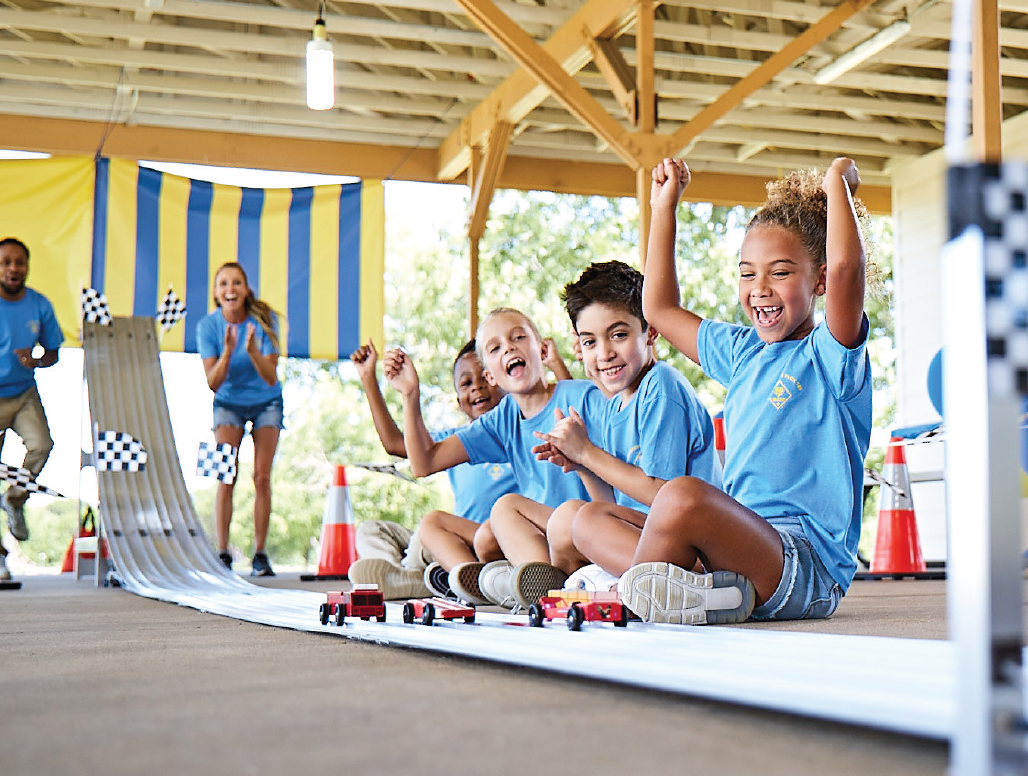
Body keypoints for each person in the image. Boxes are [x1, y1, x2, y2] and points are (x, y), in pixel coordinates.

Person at [617, 156, 872, 625]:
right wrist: (664, 206)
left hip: (802, 567)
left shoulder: (831, 352)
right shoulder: (741, 352)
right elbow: (658, 307)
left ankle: (628, 602)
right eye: (746, 272)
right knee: (587, 518)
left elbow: (846, 271)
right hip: (737, 546)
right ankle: (708, 595)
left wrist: (837, 183)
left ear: (817, 280)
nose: (759, 289)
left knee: (680, 497)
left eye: (779, 272)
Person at [498, 259, 722, 606]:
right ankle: (570, 592)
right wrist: (583, 465)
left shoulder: (661, 387)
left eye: (618, 335)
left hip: (690, 547)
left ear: (650, 331)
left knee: (583, 519)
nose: (604, 354)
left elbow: (664, 497)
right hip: (641, 538)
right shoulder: (613, 405)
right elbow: (610, 506)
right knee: (565, 521)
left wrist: (587, 451)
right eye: (590, 342)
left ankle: (682, 589)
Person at [386, 307, 606, 606]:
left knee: (505, 508)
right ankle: (495, 582)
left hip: (584, 529)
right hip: (539, 533)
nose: (509, 347)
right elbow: (424, 463)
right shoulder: (504, 418)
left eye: (518, 337)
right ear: (491, 375)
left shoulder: (583, 397)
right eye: (495, 347)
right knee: (483, 534)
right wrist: (411, 394)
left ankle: (540, 590)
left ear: (542, 350)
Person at [346, 338, 518, 599]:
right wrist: (369, 378)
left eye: (485, 377)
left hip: (489, 543)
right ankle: (400, 575)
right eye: (466, 383)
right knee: (371, 530)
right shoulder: (457, 439)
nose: (477, 387)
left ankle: (413, 579)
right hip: (452, 540)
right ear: (459, 401)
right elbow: (395, 443)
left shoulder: (518, 430)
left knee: (427, 533)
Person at [197, 262, 283, 577]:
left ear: (246, 289)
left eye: (236, 283)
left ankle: (259, 554)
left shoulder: (264, 320)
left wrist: (253, 352)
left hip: (267, 402)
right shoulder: (207, 327)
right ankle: (222, 552)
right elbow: (212, 382)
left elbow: (271, 376)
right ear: (216, 293)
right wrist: (229, 352)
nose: (230, 289)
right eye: (223, 284)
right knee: (224, 475)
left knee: (261, 477)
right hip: (227, 403)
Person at [0, 238, 62, 582]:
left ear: (27, 266)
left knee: (42, 445)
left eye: (19, 262)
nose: (13, 269)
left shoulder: (39, 304)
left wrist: (36, 359)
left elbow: (53, 353)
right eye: (6, 262)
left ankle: (15, 498)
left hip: (24, 394)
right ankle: (0, 558)